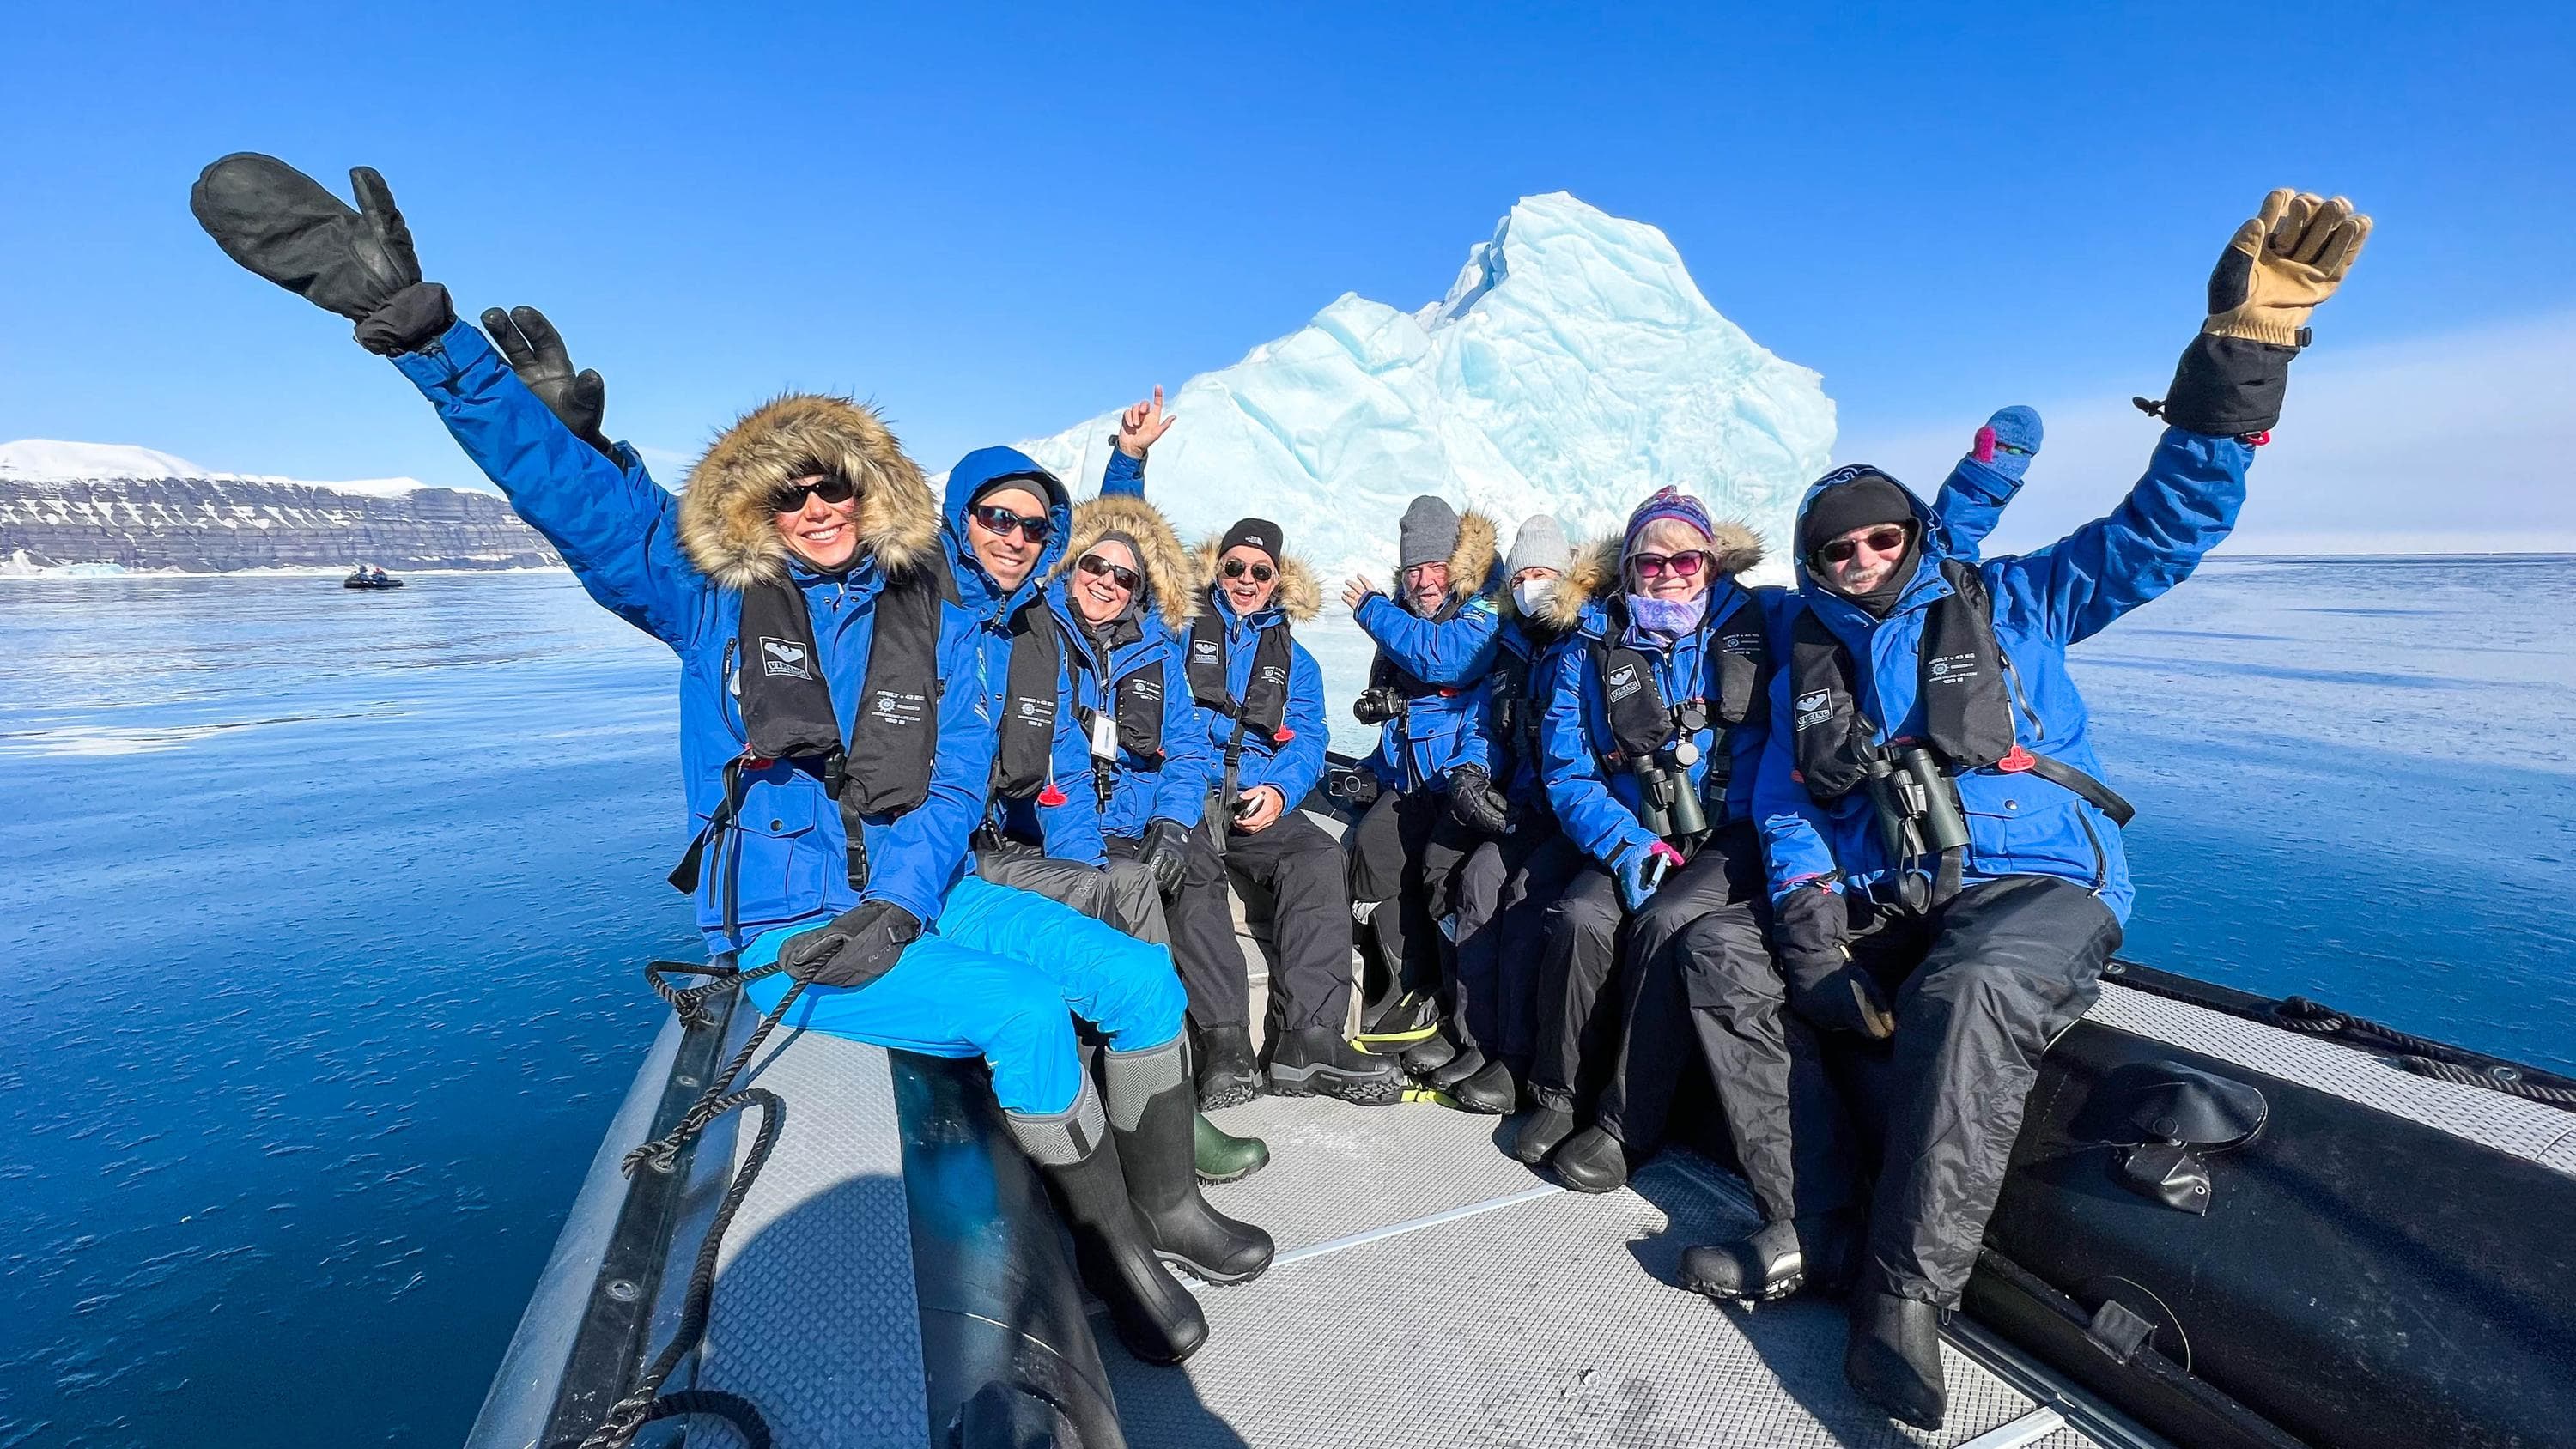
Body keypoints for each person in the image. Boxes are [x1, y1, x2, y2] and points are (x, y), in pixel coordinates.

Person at [190, 154, 1277, 1367]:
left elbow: (958, 779)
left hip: (915, 899)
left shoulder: (927, 610)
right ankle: (1117, 1260)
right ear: (756, 508)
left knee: (1139, 984)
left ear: (876, 497)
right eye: (792, 492)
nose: (819, 508)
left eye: (839, 489)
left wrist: (901, 903)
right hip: (783, 926)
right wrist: (432, 343)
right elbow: (565, 496)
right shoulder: (704, 594)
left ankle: (1166, 1210)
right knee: (1027, 1017)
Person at [1726, 189, 2370, 1429]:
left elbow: (2164, 531)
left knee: (1967, 994)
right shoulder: (1812, 660)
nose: (1862, 559)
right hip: (1895, 893)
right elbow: (1792, 805)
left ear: (1913, 534)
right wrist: (1808, 927)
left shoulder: (2018, 602)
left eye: (1880, 537)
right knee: (1735, 963)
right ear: (1814, 568)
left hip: (2034, 885)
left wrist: (2241, 360)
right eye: (1838, 549)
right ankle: (1814, 1227)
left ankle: (1906, 1299)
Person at [1510, 488, 1780, 1187]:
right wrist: (1626, 844)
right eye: (1649, 562)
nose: (1669, 574)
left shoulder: (1759, 624)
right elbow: (1568, 771)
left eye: (1686, 559)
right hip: (1637, 833)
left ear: (1711, 564)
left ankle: (1627, 1124)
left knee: (1666, 924)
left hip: (1731, 833)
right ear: (1626, 569)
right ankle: (1559, 1092)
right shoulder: (1591, 647)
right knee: (1580, 916)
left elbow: (1865, 592)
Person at [1341, 497, 1506, 1052]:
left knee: (1445, 870)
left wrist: (1371, 609)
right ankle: (1405, 988)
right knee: (1370, 846)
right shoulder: (1406, 621)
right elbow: (1402, 714)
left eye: (1435, 566)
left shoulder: (1485, 607)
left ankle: (1461, 1010)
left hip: (1468, 779)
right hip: (1414, 778)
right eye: (1413, 569)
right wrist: (1371, 769)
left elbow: (1448, 662)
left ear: (1458, 565)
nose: (1424, 580)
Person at [1433, 513, 1585, 1113]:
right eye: (1521, 574)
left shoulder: (1584, 640)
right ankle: (1480, 1038)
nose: (1531, 585)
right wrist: (1471, 770)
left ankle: (1519, 1056)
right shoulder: (1514, 644)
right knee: (1478, 878)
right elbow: (1487, 725)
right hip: (1529, 804)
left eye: (1543, 573)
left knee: (1524, 892)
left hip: (1576, 812)